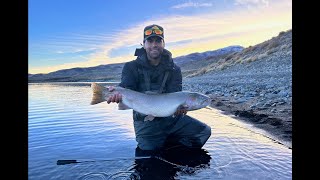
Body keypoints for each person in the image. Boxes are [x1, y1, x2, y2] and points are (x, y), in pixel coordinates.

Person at [107, 24, 211, 154]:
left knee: (203, 132)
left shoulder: (174, 69)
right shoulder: (131, 67)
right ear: (143, 44)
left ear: (163, 43)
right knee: (150, 155)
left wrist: (179, 110)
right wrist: (116, 94)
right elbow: (126, 88)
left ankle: (173, 151)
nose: (154, 45)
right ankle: (161, 145)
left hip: (171, 120)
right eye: (150, 41)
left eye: (158, 41)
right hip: (145, 124)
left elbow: (175, 93)